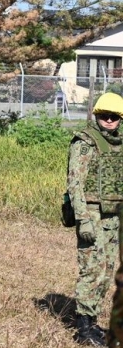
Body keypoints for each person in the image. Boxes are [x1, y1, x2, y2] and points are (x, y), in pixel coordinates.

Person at [68, 92, 123, 346]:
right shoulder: (85, 141)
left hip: (114, 215)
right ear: (96, 116)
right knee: (93, 270)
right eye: (104, 116)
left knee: (108, 269)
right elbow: (75, 184)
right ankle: (83, 327)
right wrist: (83, 219)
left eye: (114, 117)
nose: (109, 121)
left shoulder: (120, 143)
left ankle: (92, 321)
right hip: (92, 213)